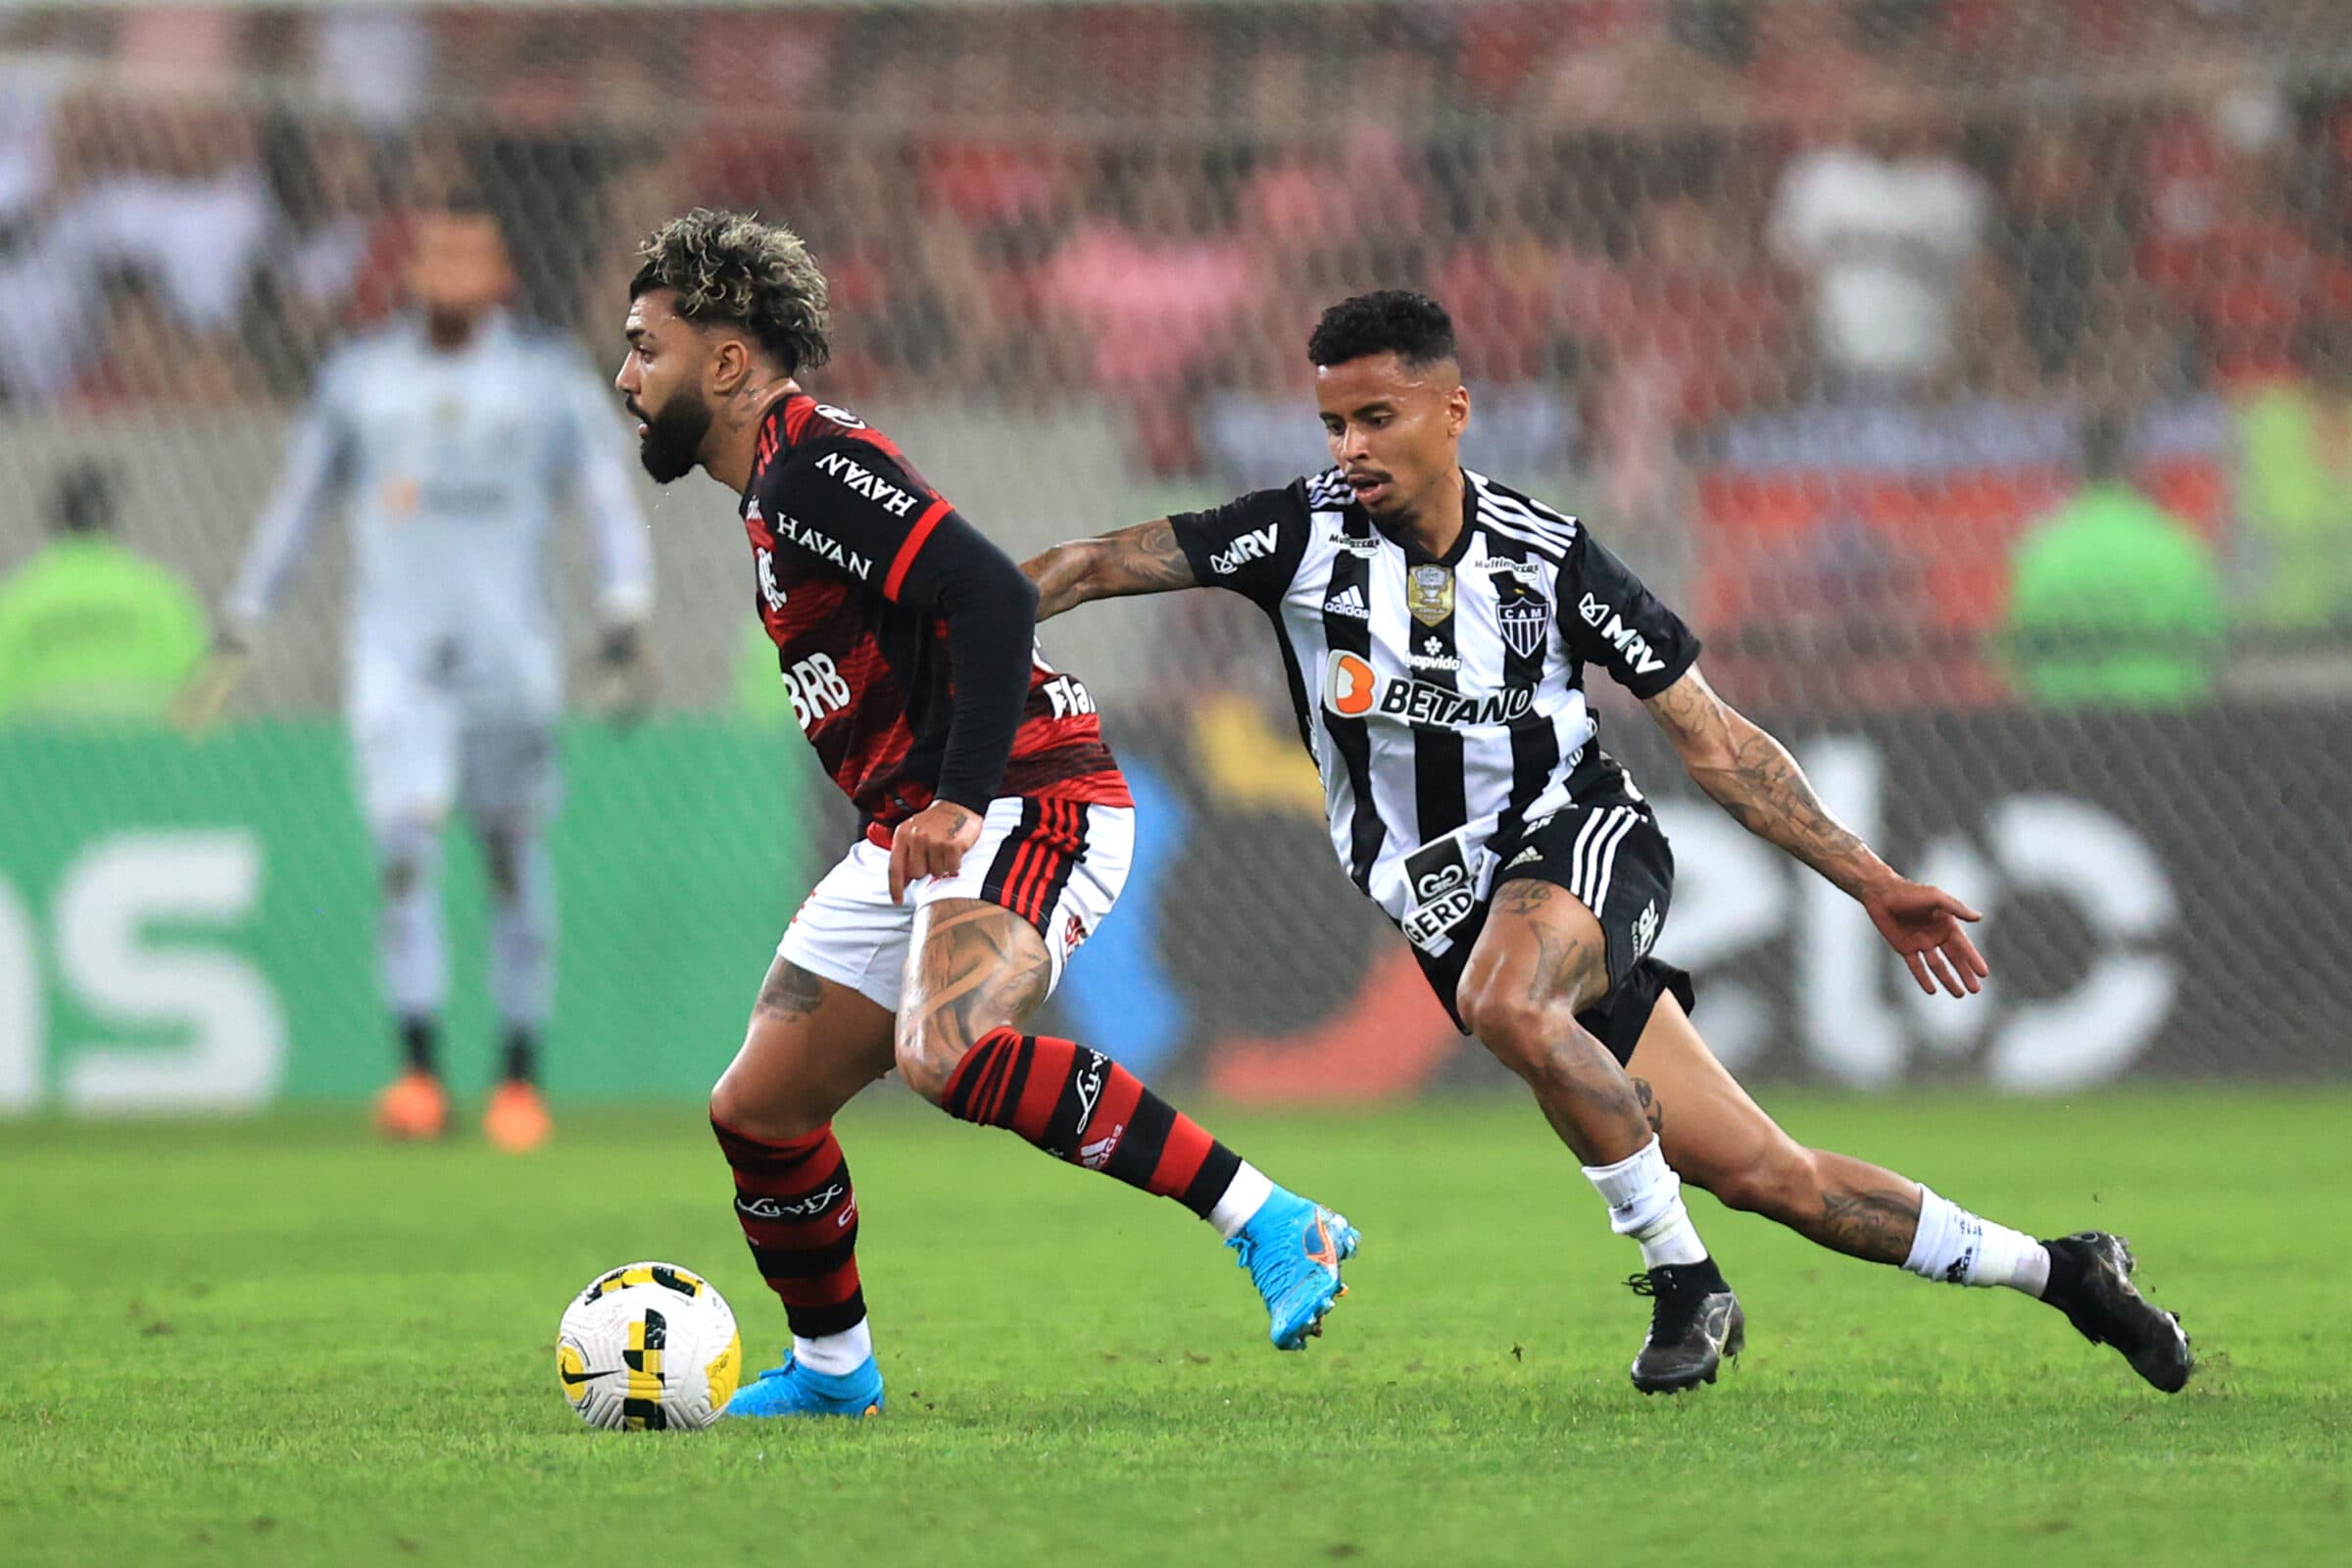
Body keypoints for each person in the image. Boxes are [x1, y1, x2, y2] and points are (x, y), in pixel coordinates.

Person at [1022, 291, 2192, 1396]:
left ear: (1453, 409)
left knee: (1511, 1001)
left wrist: (1873, 882)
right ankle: (2065, 1273)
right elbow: (1089, 565)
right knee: (1769, 1176)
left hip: (1583, 842)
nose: (1351, 448)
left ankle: (1686, 1286)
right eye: (1333, 422)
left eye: (1377, 417)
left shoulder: (1550, 557)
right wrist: (939, 612)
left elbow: (1717, 742)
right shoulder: (1292, 538)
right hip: (1446, 911)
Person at [612, 209, 1354, 1420]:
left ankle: (1279, 1221)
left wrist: (958, 801)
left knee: (946, 1055)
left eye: (649, 347)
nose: (629, 376)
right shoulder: (770, 493)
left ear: (730, 364)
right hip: (921, 819)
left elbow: (993, 595)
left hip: (1027, 794)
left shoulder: (810, 466)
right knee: (759, 1110)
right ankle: (836, 1373)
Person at [204, 194, 655, 1152]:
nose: (449, 273)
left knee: (508, 854)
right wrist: (246, 611)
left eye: (469, 254)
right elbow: (299, 501)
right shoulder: (360, 378)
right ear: (413, 271)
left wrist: (624, 609)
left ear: (501, 274)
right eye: (434, 253)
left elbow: (607, 499)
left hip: (509, 661)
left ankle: (519, 1080)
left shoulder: (544, 381)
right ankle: (416, 1074)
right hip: (396, 661)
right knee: (405, 849)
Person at [2003, 410, 2226, 708]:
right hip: (2160, 714)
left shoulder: (2043, 547)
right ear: (2136, 466)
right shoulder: (2171, 542)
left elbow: (2016, 645)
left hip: (2066, 718)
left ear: (2074, 469)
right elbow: (2209, 638)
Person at [0, 462, 208, 721]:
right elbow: (197, 686)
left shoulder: (19, 596)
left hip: (45, 748)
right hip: (144, 746)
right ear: (111, 517)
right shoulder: (157, 591)